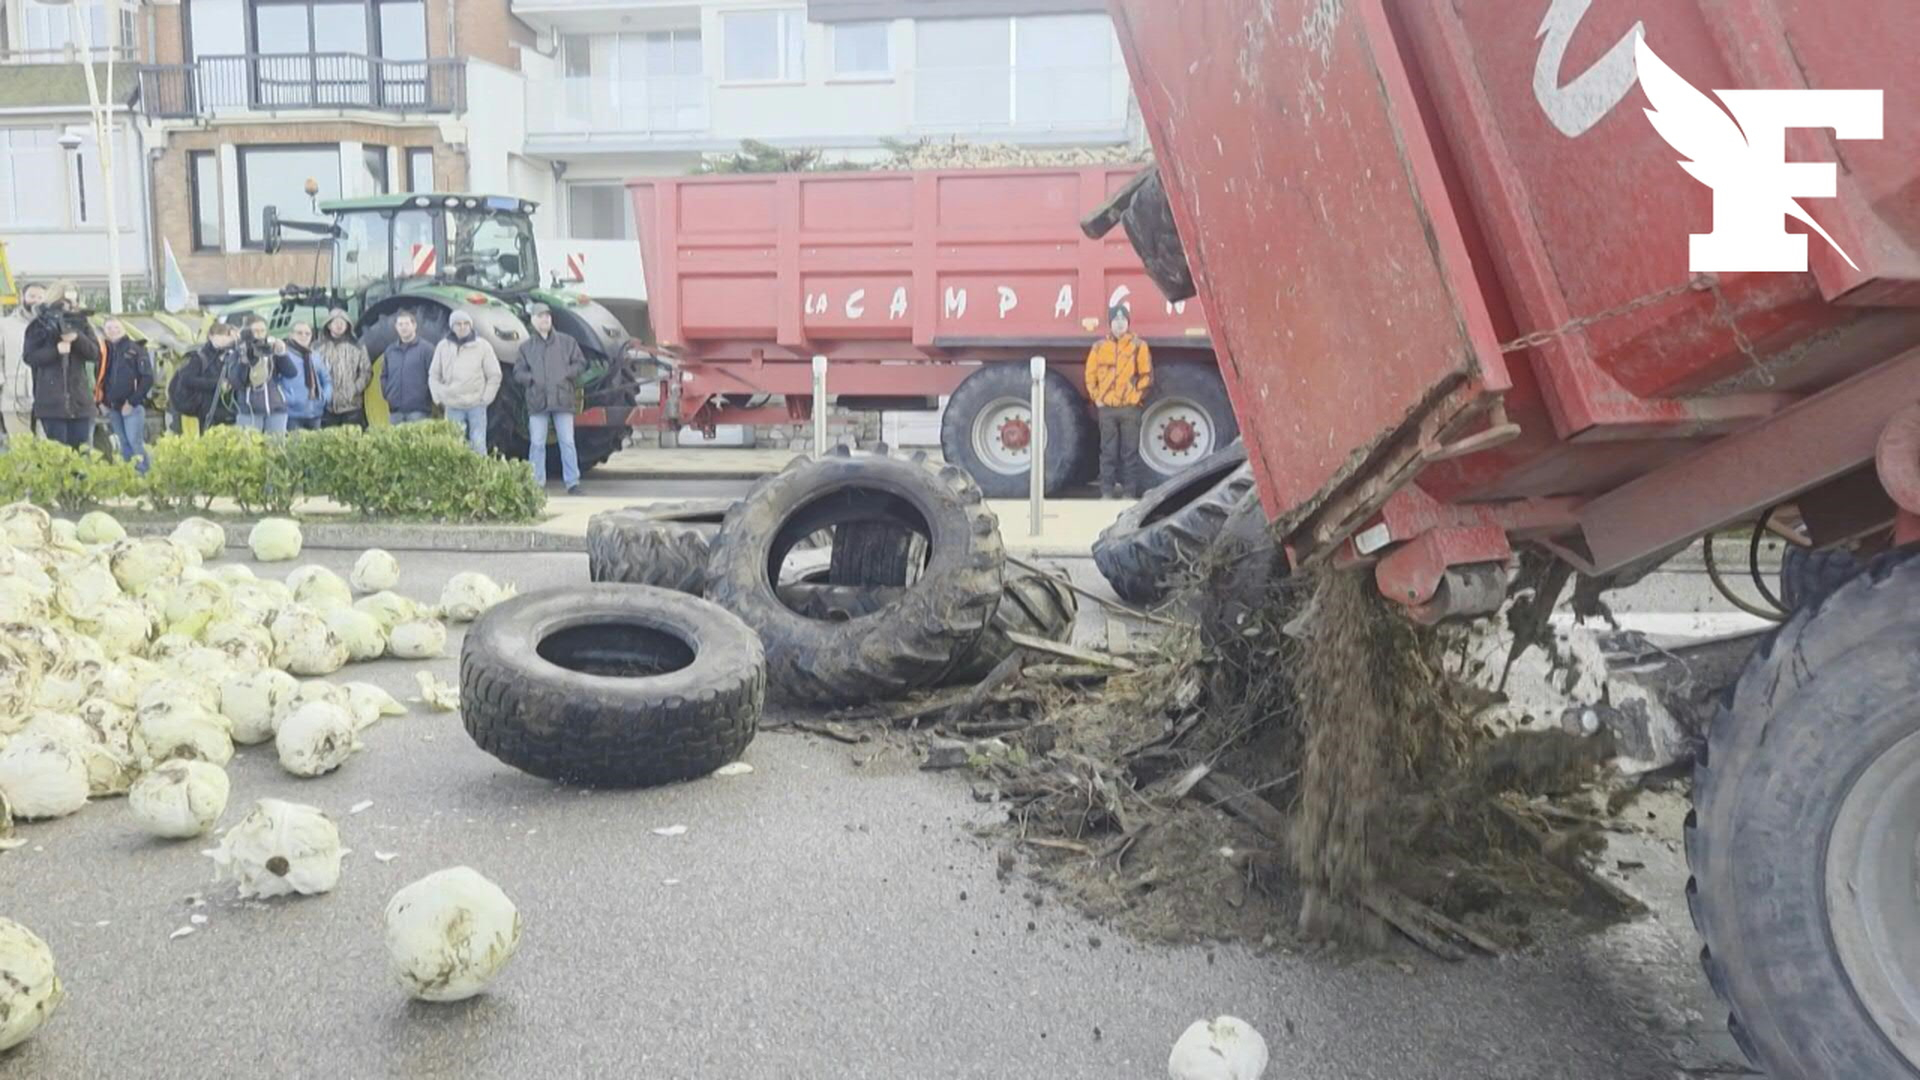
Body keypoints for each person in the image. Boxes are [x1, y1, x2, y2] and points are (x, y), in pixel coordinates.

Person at [512, 302, 587, 494]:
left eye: (547, 316)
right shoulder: (526, 348)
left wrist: (566, 374)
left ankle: (572, 482)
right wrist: (532, 380)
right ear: (533, 320)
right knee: (537, 443)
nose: (545, 319)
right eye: (540, 316)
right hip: (538, 401)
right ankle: (536, 483)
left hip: (563, 400)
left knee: (567, 442)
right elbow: (518, 372)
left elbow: (580, 363)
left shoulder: (567, 342)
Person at [1083, 302, 1154, 499]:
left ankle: (1129, 492)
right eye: (1116, 320)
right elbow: (1090, 376)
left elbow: (1146, 375)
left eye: (1123, 319)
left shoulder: (1138, 346)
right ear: (1110, 323)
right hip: (1107, 408)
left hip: (1130, 408)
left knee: (1129, 452)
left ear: (1128, 322)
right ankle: (1106, 491)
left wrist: (1135, 397)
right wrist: (1097, 398)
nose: (1120, 323)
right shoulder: (1098, 347)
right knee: (1107, 452)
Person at [24, 288, 100, 450]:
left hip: (80, 404)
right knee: (59, 456)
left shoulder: (82, 323)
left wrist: (77, 338)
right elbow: (29, 357)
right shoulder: (39, 324)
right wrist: (55, 351)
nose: (70, 306)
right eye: (65, 302)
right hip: (51, 404)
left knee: (81, 455)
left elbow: (94, 353)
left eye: (73, 302)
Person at [428, 310, 501, 454]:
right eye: (458, 324)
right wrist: (438, 397)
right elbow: (433, 374)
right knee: (455, 445)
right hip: (453, 405)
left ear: (470, 326)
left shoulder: (483, 346)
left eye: (465, 324)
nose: (462, 327)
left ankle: (479, 475)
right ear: (452, 327)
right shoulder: (443, 347)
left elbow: (495, 374)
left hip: (476, 405)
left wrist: (485, 399)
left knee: (478, 443)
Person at [96, 318, 155, 473]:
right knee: (123, 444)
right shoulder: (103, 351)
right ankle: (129, 478)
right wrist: (101, 402)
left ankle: (144, 476)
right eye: (109, 327)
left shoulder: (136, 349)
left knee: (135, 443)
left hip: (132, 407)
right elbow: (99, 377)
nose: (113, 330)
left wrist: (132, 402)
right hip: (112, 407)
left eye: (116, 327)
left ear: (123, 329)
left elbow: (148, 378)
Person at [226, 317, 296, 435]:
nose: (259, 334)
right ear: (247, 332)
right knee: (250, 449)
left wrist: (282, 353)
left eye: (262, 331)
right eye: (255, 331)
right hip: (249, 410)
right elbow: (236, 382)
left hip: (276, 408)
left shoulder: (271, 350)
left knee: (276, 448)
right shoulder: (238, 352)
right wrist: (244, 360)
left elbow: (291, 373)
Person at [0, 283, 46, 445]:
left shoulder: (52, 324)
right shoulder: (5, 325)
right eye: (32, 296)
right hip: (14, 397)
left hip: (47, 397)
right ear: (22, 297)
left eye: (40, 297)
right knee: (22, 452)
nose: (36, 301)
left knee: (49, 451)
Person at [171, 321, 236, 431]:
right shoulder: (199, 357)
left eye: (227, 335)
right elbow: (187, 379)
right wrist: (217, 384)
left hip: (224, 409)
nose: (224, 339)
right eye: (221, 335)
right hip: (203, 409)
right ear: (211, 336)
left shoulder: (231, 355)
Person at [316, 309, 371, 428]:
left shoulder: (357, 347)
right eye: (336, 322)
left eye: (343, 322)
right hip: (327, 407)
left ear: (348, 326)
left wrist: (354, 389)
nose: (339, 325)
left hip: (351, 406)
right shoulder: (318, 348)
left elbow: (366, 371)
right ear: (329, 325)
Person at [379, 310, 435, 424]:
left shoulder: (426, 349)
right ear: (396, 327)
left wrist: (426, 398)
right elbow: (384, 375)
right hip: (395, 411)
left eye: (407, 324)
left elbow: (434, 375)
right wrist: (388, 395)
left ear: (414, 326)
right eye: (400, 324)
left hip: (418, 411)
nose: (403, 328)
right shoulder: (390, 350)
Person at [280, 321, 333, 431]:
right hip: (292, 414)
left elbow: (327, 380)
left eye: (307, 333)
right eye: (299, 333)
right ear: (291, 335)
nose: (303, 336)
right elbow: (276, 382)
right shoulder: (283, 355)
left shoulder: (315, 356)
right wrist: (289, 399)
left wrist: (326, 396)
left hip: (315, 412)